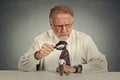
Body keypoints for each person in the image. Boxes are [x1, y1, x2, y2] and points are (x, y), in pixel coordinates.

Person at [18, 5, 108, 73]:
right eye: (59, 25)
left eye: (68, 25)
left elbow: (102, 65)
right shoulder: (40, 39)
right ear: (51, 24)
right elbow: (22, 66)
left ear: (72, 23)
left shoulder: (84, 39)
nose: (64, 30)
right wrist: (37, 55)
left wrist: (76, 69)